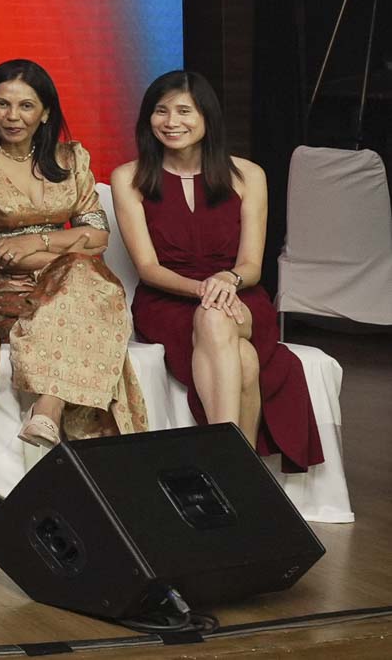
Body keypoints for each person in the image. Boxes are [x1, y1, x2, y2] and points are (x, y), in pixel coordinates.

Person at [113, 70, 321, 469]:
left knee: (214, 316)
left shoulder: (248, 175)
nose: (171, 122)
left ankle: (221, 461)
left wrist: (227, 280)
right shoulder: (129, 177)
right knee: (238, 355)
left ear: (208, 118)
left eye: (184, 111)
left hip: (240, 295)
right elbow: (148, 267)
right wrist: (202, 289)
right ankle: (240, 468)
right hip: (166, 302)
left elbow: (251, 266)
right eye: (161, 111)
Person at [0, 59, 144, 446]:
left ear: (45, 112)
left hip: (73, 279)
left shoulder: (71, 159)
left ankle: (48, 407)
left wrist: (35, 244)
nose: (13, 116)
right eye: (2, 104)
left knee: (80, 275)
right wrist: (71, 249)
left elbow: (99, 235)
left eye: (26, 105)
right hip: (7, 292)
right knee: (87, 285)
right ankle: (98, 454)